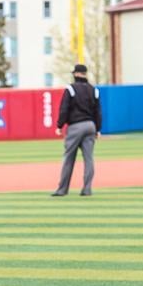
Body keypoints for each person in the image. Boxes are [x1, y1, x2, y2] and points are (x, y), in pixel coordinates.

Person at [51, 63, 102, 197]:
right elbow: (98, 111)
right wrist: (98, 128)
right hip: (90, 125)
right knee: (89, 159)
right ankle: (87, 189)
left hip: (75, 126)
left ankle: (62, 189)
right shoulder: (94, 90)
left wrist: (59, 125)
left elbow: (64, 109)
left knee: (69, 158)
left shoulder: (71, 89)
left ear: (77, 74)